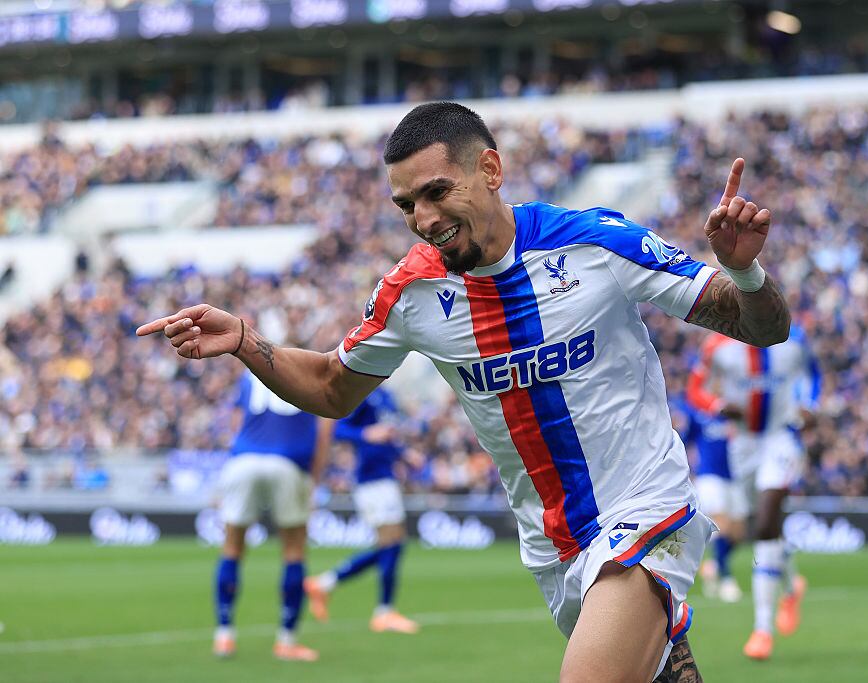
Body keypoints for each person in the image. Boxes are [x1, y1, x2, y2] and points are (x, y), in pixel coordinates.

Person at [138, 101, 790, 682]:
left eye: (436, 192)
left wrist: (744, 270)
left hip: (645, 509)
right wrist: (247, 340)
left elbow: (759, 324)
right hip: (552, 542)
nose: (422, 219)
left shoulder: (593, 242)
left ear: (491, 170)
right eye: (405, 206)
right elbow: (334, 388)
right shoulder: (412, 291)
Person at [687, 325, 819, 661]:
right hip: (742, 444)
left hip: (781, 437)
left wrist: (809, 405)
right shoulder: (718, 346)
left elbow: (813, 373)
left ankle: (762, 631)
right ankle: (792, 584)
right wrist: (717, 405)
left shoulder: (794, 340)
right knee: (759, 526)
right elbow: (694, 389)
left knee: (764, 521)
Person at [212, 369, 333, 662]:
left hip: (243, 460)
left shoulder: (249, 375)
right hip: (288, 462)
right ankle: (286, 640)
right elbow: (324, 431)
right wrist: (315, 480)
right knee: (293, 551)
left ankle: (224, 635)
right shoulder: (314, 372)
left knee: (231, 548)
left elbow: (237, 423)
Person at [304, 387, 420, 634]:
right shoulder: (364, 391)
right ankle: (384, 611)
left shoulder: (387, 395)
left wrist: (403, 454)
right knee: (391, 545)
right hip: (371, 481)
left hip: (385, 476)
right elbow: (337, 429)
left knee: (392, 545)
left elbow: (386, 435)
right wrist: (366, 434)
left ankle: (325, 584)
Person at [676, 397, 744, 603]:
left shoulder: (734, 413)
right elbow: (684, 440)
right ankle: (726, 580)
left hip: (734, 477)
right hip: (710, 477)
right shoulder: (699, 416)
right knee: (722, 524)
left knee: (738, 533)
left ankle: (712, 565)